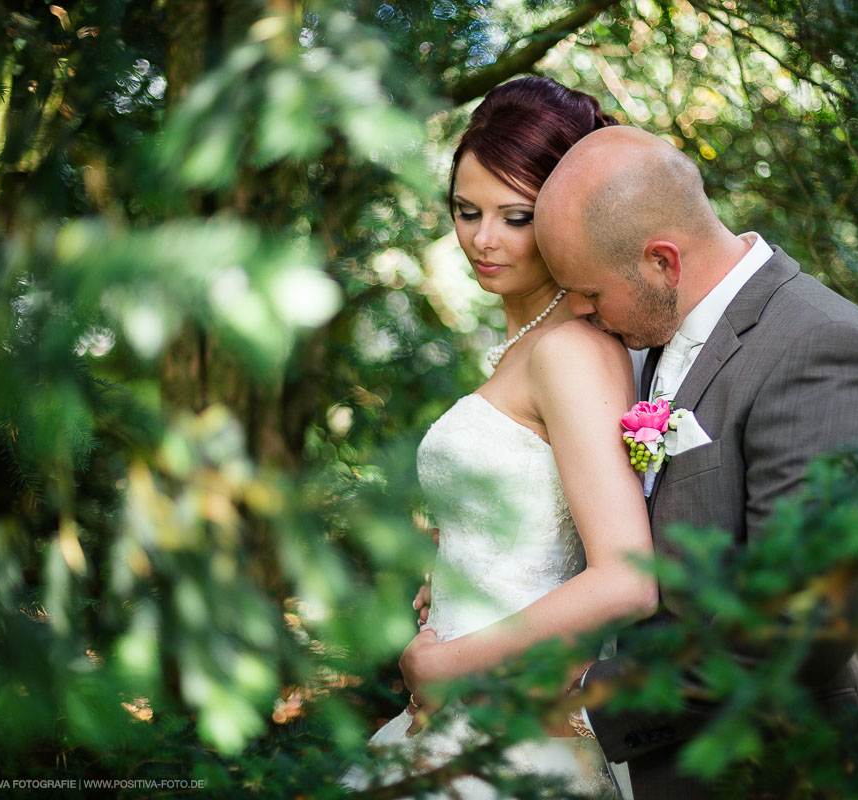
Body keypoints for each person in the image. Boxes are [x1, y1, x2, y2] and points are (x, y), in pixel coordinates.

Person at [531, 125, 858, 799]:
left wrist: (593, 702)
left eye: (591, 293)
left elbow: (800, 620)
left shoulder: (820, 347)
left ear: (663, 262)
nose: (584, 314)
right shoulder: (654, 335)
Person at [345, 79, 657, 799]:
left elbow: (627, 578)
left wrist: (443, 667)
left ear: (566, 212)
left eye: (515, 217)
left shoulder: (571, 351)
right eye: (466, 210)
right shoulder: (525, 341)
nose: (482, 240)